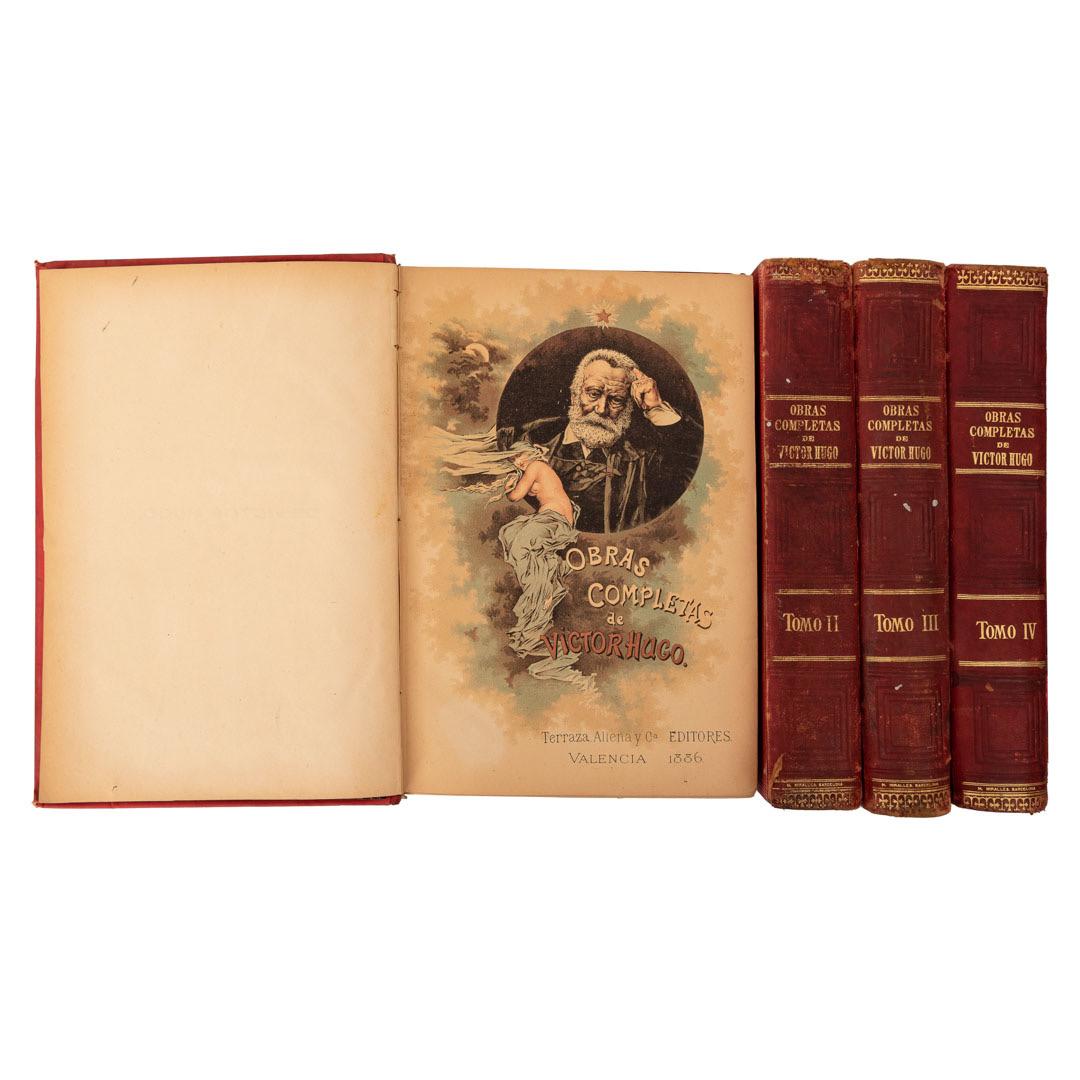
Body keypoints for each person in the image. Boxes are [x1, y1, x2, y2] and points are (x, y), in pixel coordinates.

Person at [499, 348, 702, 533]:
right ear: (575, 395)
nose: (601, 409)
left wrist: (655, 408)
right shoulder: (527, 438)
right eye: (594, 393)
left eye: (616, 400)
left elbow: (697, 465)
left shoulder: (644, 456)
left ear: (628, 407)